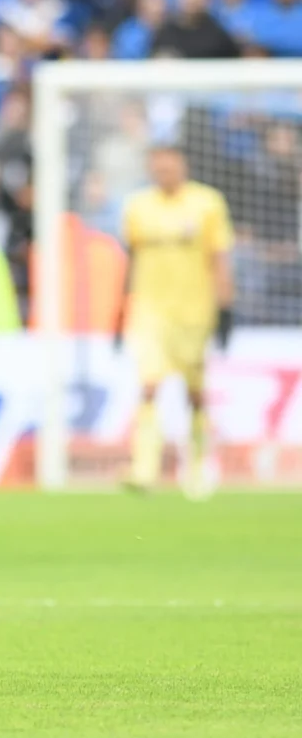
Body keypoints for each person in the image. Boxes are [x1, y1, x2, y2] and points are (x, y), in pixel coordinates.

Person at [115, 144, 235, 499]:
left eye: (170, 168)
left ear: (184, 166)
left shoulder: (207, 203)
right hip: (150, 311)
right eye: (158, 168)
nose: (164, 174)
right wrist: (119, 310)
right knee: (149, 386)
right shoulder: (137, 206)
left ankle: (197, 467)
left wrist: (226, 307)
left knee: (194, 394)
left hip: (195, 313)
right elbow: (131, 260)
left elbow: (219, 258)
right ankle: (144, 469)